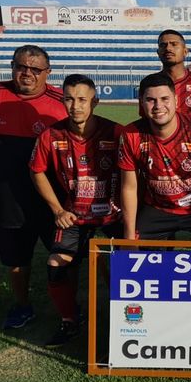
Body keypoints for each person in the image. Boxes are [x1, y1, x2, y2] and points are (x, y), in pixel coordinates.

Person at [0, 45, 65, 329]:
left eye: (35, 69)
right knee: (16, 260)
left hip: (53, 199)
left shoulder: (60, 101)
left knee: (66, 255)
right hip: (8, 197)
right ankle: (22, 305)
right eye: (21, 67)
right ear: (12, 67)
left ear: (48, 73)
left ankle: (69, 309)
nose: (27, 73)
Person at [29, 75, 122, 347]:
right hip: (74, 215)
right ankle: (70, 321)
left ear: (95, 101)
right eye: (69, 99)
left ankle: (124, 319)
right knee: (56, 265)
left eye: (82, 99)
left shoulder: (115, 132)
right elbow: (36, 172)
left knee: (118, 266)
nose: (75, 106)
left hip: (111, 215)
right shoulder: (50, 135)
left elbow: (134, 171)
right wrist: (57, 209)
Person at [118, 73, 191, 241]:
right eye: (150, 100)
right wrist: (129, 235)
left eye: (164, 99)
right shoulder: (131, 135)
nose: (158, 106)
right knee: (130, 256)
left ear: (176, 100)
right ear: (141, 102)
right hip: (157, 208)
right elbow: (129, 188)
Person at [154, 29, 191, 127]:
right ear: (158, 52)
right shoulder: (149, 84)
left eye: (174, 44)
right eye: (163, 45)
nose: (168, 48)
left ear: (185, 51)